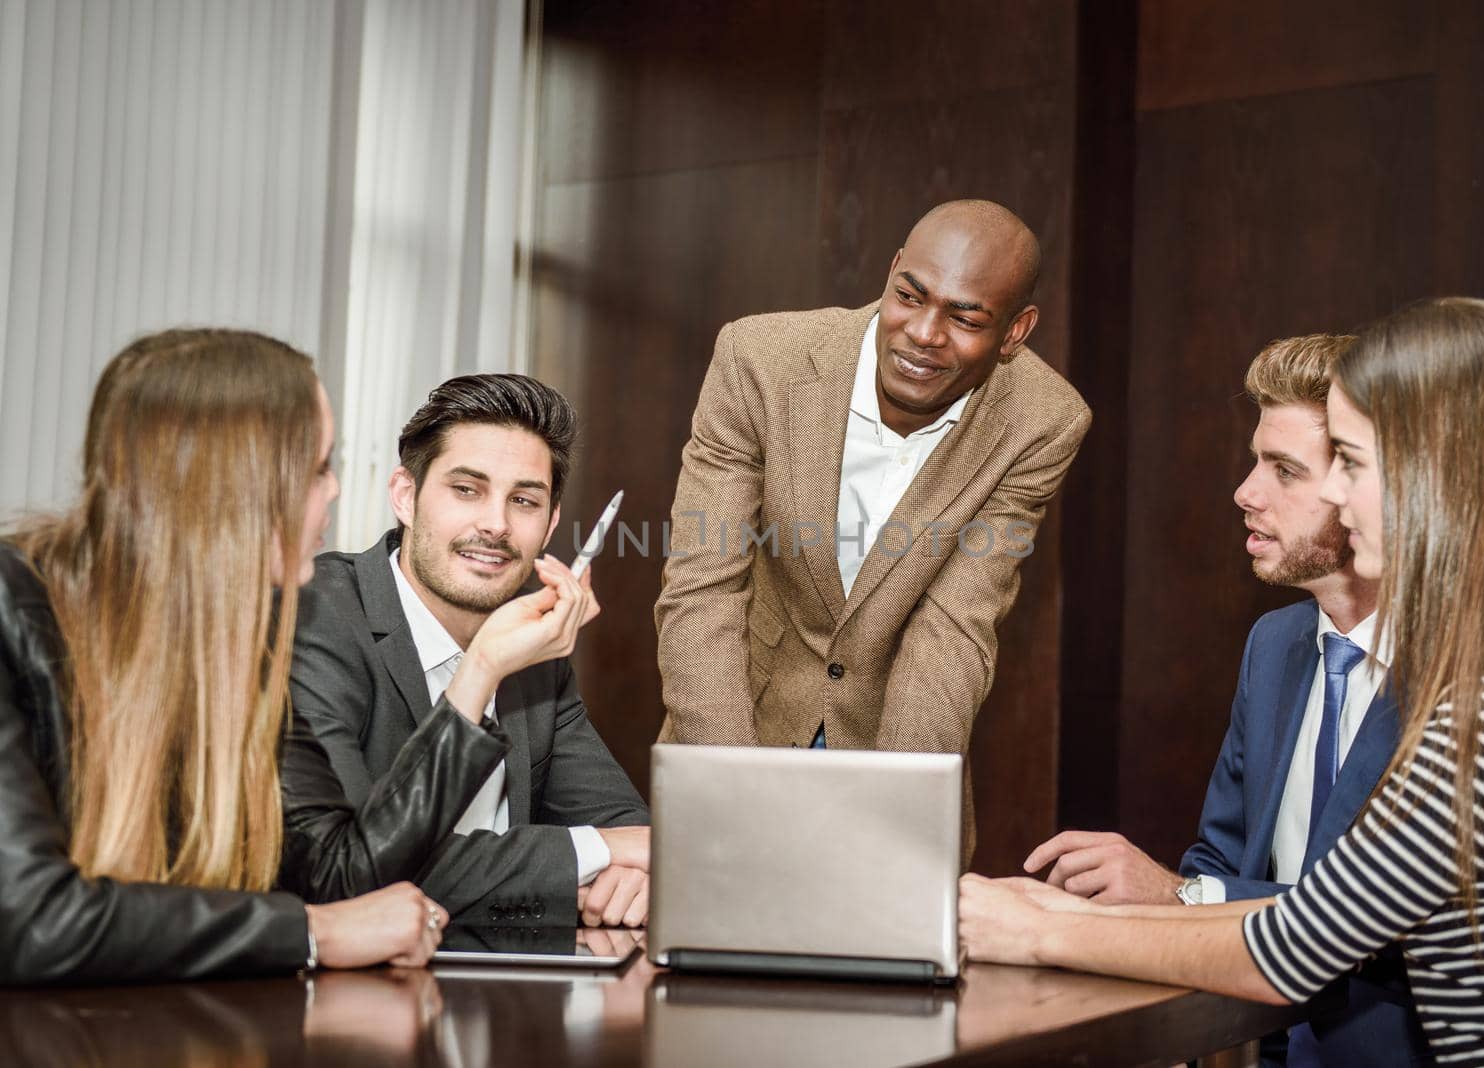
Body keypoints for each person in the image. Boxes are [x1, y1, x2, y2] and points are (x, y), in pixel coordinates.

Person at [960, 298, 1484, 1065]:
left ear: (1445, 478)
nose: (1334, 494)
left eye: (1354, 465)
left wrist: (1037, 930)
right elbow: (1315, 915)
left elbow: (1294, 949)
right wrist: (1045, 906)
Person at [0, 329, 594, 984]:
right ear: (235, 478)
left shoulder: (239, 645)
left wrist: (479, 670)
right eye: (317, 468)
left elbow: (340, 870)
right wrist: (311, 931)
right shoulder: (11, 609)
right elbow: (30, 921)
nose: (335, 491)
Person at [1021, 335, 1426, 1065]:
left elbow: (1378, 928)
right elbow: (1217, 859)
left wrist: (1175, 900)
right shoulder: (1274, 648)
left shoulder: (1469, 676)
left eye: (1284, 470)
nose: (1246, 491)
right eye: (1255, 461)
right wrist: (1166, 890)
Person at [655, 199, 1091, 860]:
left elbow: (954, 628)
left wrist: (891, 824)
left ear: (1014, 332)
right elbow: (701, 589)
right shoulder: (760, 360)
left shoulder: (1042, 421)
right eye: (909, 296)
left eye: (965, 318)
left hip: (896, 752)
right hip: (730, 735)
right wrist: (735, 784)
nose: (923, 332)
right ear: (890, 274)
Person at [292, 375, 650, 930]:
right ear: (406, 497)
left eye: (524, 501)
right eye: (466, 490)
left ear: (551, 523)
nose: (496, 524)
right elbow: (356, 868)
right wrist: (597, 853)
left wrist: (626, 872)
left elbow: (631, 830)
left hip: (507, 985)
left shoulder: (536, 638)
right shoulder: (318, 614)